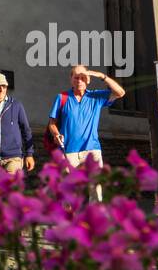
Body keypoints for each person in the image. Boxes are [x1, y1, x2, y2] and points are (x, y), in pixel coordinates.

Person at [47, 65, 125, 196]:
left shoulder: (96, 97)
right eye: (76, 77)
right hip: (68, 152)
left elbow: (120, 93)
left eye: (83, 78)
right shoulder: (62, 97)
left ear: (88, 80)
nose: (79, 80)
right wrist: (56, 134)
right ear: (71, 79)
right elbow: (52, 123)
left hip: (92, 150)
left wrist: (102, 76)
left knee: (95, 190)